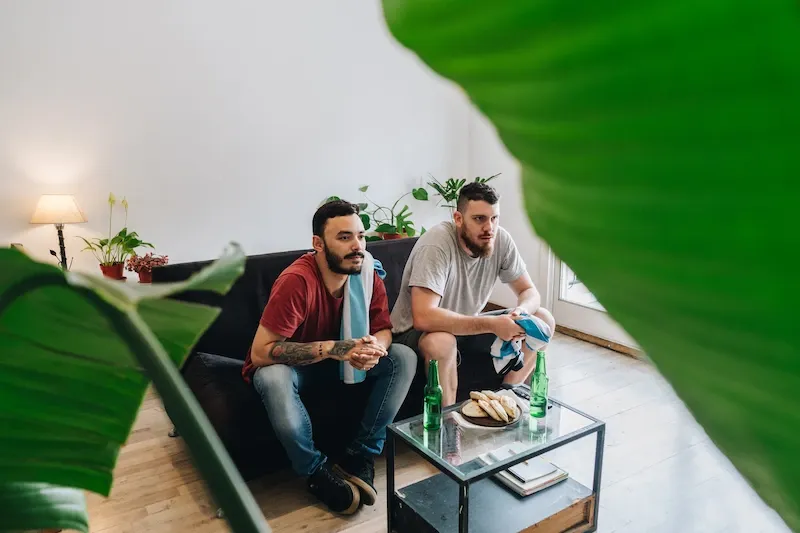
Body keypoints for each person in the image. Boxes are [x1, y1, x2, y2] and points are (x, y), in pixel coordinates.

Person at [242, 200, 416, 515]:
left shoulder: (366, 273)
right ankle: (314, 471)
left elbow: (385, 330)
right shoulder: (297, 281)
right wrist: (335, 349)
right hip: (300, 369)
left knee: (403, 357)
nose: (357, 246)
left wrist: (372, 348)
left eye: (361, 236)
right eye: (344, 237)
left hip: (344, 365)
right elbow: (261, 352)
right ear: (318, 244)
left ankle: (359, 455)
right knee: (270, 376)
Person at [391, 181, 555, 406]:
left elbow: (529, 292)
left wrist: (520, 312)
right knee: (442, 341)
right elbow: (423, 317)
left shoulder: (500, 239)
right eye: (479, 219)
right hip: (413, 334)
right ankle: (447, 425)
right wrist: (493, 325)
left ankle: (507, 395)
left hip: (464, 327)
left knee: (544, 318)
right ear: (458, 219)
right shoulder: (437, 245)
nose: (489, 227)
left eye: (494, 218)